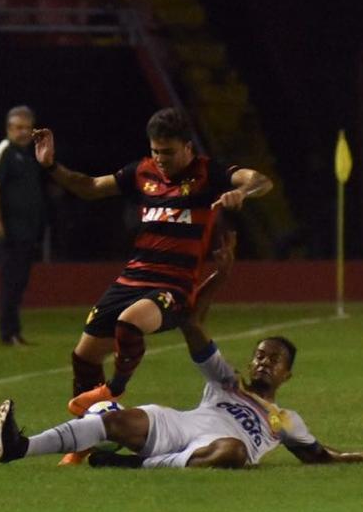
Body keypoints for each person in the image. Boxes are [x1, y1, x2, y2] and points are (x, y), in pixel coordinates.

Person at [0, 232, 363, 469]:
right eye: (260, 354)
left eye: (274, 359)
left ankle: (135, 465)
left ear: (287, 375)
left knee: (235, 451)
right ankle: (20, 447)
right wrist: (216, 281)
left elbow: (317, 456)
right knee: (120, 423)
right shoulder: (227, 383)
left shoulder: (286, 419)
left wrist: (362, 456)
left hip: (217, 448)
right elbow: (195, 324)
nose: (264, 360)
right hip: (180, 427)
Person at [32, 107, 272, 464]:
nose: (160, 159)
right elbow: (91, 187)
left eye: (168, 152)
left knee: (130, 322)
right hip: (132, 277)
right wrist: (51, 165)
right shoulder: (142, 171)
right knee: (84, 355)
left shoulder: (210, 173)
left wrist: (244, 194)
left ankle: (115, 388)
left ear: (188, 148)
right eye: (156, 151)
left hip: (174, 286)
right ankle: (86, 438)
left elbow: (261, 180)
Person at [0, 106, 47, 347]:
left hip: (26, 229)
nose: (23, 132)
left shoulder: (28, 154)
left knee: (19, 281)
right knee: (11, 280)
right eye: (18, 128)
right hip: (10, 229)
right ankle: (7, 332)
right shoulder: (5, 151)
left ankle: (14, 331)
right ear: (9, 128)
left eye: (27, 128)